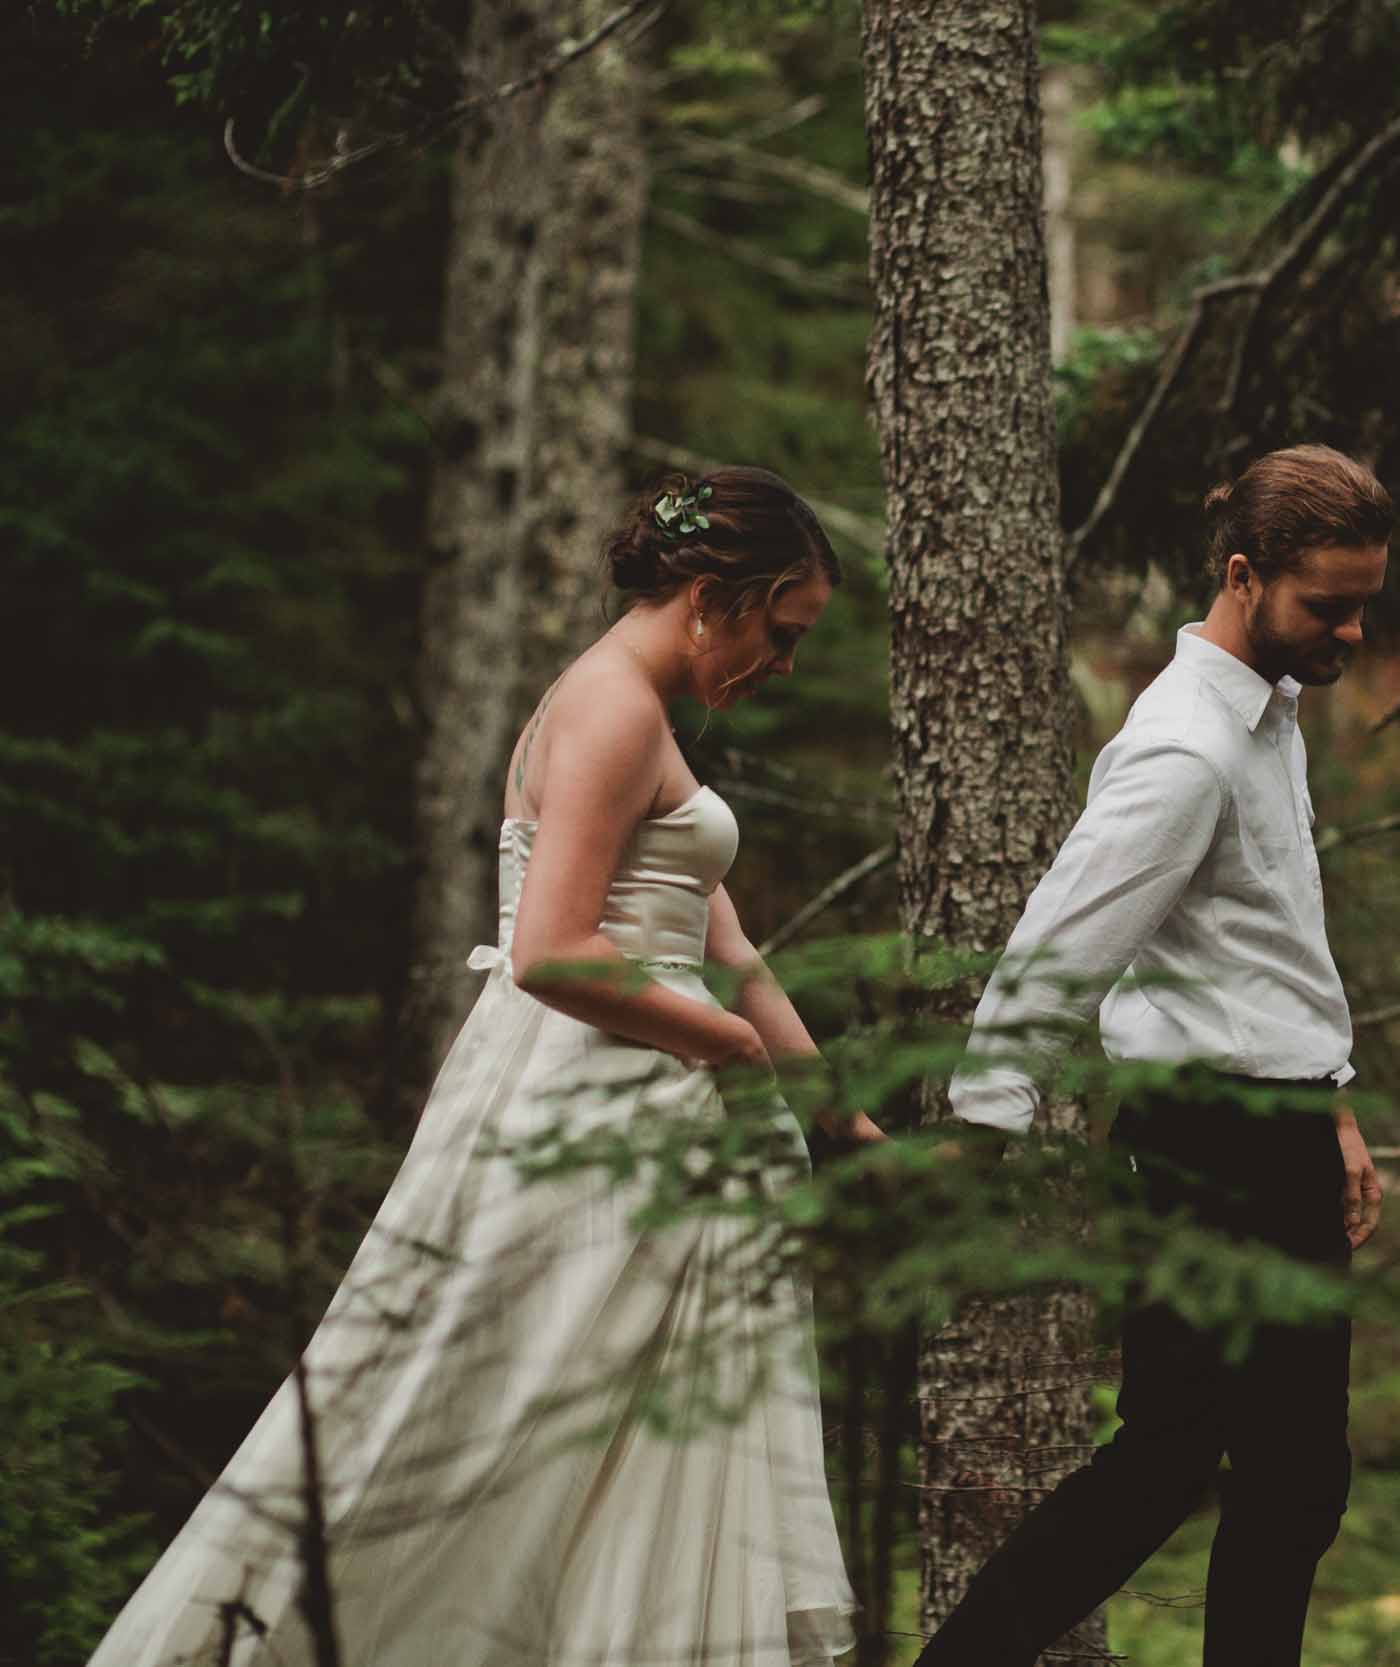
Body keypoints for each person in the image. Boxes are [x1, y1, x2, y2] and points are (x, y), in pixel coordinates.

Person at [87, 468, 880, 1667]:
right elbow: (551, 949)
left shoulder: (647, 712)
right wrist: (720, 1048)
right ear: (717, 595)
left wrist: (837, 1117)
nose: (784, 664)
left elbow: (734, 950)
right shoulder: (611, 706)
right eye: (783, 631)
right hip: (598, 1094)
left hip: (656, 1090)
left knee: (626, 1435)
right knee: (499, 1404)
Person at [920, 443, 1392, 1667]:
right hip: (1211, 1140)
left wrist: (1329, 1102)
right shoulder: (1186, 748)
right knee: (1182, 1455)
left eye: (1361, 604)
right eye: (1324, 604)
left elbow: (1268, 947)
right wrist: (989, 1117)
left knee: (1288, 1475)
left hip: (1273, 1124)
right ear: (1242, 575)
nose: (1348, 630)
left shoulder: (1266, 716)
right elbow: (1063, 936)